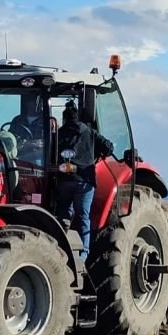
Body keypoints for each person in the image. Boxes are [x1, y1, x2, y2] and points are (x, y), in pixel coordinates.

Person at [55, 101, 113, 261]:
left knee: (63, 213)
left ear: (64, 118)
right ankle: (83, 253)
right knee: (83, 216)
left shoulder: (59, 133)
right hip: (84, 181)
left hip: (63, 181)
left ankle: (60, 247)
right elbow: (108, 147)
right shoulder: (89, 132)